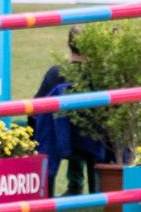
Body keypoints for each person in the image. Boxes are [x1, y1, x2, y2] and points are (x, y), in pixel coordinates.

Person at [33, 37, 102, 198]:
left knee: (41, 123)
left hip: (57, 139)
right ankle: (76, 184)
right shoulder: (99, 75)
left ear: (69, 45)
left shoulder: (55, 72)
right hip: (92, 141)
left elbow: (36, 106)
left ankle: (69, 186)